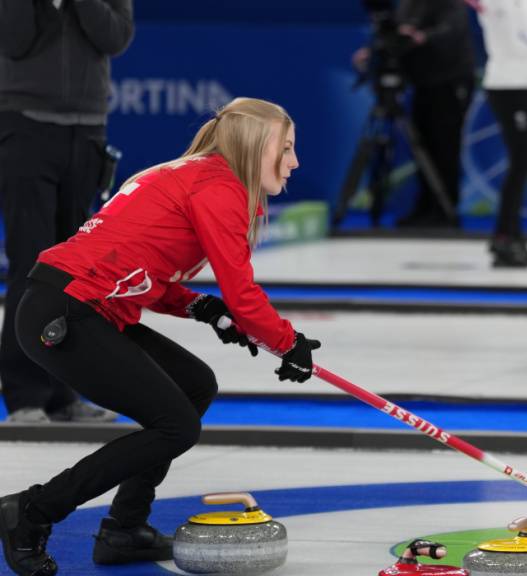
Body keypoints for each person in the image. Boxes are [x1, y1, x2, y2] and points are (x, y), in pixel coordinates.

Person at [0, 98, 321, 576]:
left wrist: (201, 307)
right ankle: (30, 512)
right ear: (256, 147)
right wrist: (286, 341)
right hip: (66, 314)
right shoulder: (221, 187)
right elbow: (242, 289)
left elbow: (140, 272)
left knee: (195, 385)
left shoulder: (193, 174)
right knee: (176, 425)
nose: (294, 161)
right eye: (288, 148)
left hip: (76, 306)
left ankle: (124, 529)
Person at [0, 0, 134, 423]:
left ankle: (66, 394)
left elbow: (115, 38)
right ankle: (25, 397)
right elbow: (14, 41)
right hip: (24, 125)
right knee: (31, 263)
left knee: (75, 273)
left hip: (88, 130)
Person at [476, 0, 527, 267]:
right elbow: (518, 41)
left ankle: (514, 234)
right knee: (520, 161)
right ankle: (503, 237)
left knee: (525, 161)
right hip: (506, 86)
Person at [394, 0, 476, 228]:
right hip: (423, 82)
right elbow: (398, 31)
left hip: (450, 81)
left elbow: (451, 29)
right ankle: (424, 207)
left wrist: (422, 36)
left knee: (445, 145)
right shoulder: (407, 5)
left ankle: (445, 208)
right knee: (423, 146)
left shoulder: (451, 5)